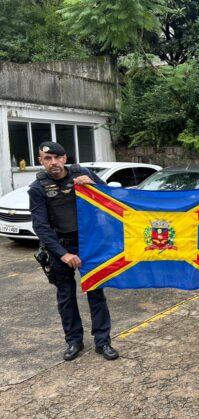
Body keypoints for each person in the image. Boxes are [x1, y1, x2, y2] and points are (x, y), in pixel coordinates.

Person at [29, 141, 119, 361]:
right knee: (66, 296)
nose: (53, 163)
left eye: (57, 158)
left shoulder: (82, 173)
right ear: (41, 161)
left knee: (96, 293)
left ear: (65, 158)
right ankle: (73, 342)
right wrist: (63, 254)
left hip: (89, 244)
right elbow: (40, 226)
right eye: (47, 159)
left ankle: (103, 342)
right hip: (60, 247)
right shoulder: (38, 188)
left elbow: (108, 199)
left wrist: (94, 185)